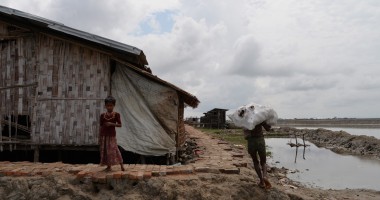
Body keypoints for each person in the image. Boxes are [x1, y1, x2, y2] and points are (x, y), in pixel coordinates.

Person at [99, 96, 125, 171]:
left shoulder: (116, 115)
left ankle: (122, 165)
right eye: (108, 106)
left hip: (112, 135)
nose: (109, 107)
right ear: (105, 106)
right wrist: (100, 136)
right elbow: (101, 125)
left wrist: (111, 124)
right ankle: (108, 166)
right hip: (104, 135)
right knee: (106, 151)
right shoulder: (102, 115)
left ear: (114, 105)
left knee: (114, 149)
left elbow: (120, 125)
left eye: (111, 105)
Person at [244, 121, 272, 189]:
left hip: (251, 141)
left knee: (255, 161)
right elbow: (268, 129)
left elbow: (245, 134)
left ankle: (261, 181)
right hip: (260, 140)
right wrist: (264, 122)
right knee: (263, 161)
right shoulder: (260, 117)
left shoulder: (246, 117)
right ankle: (265, 176)